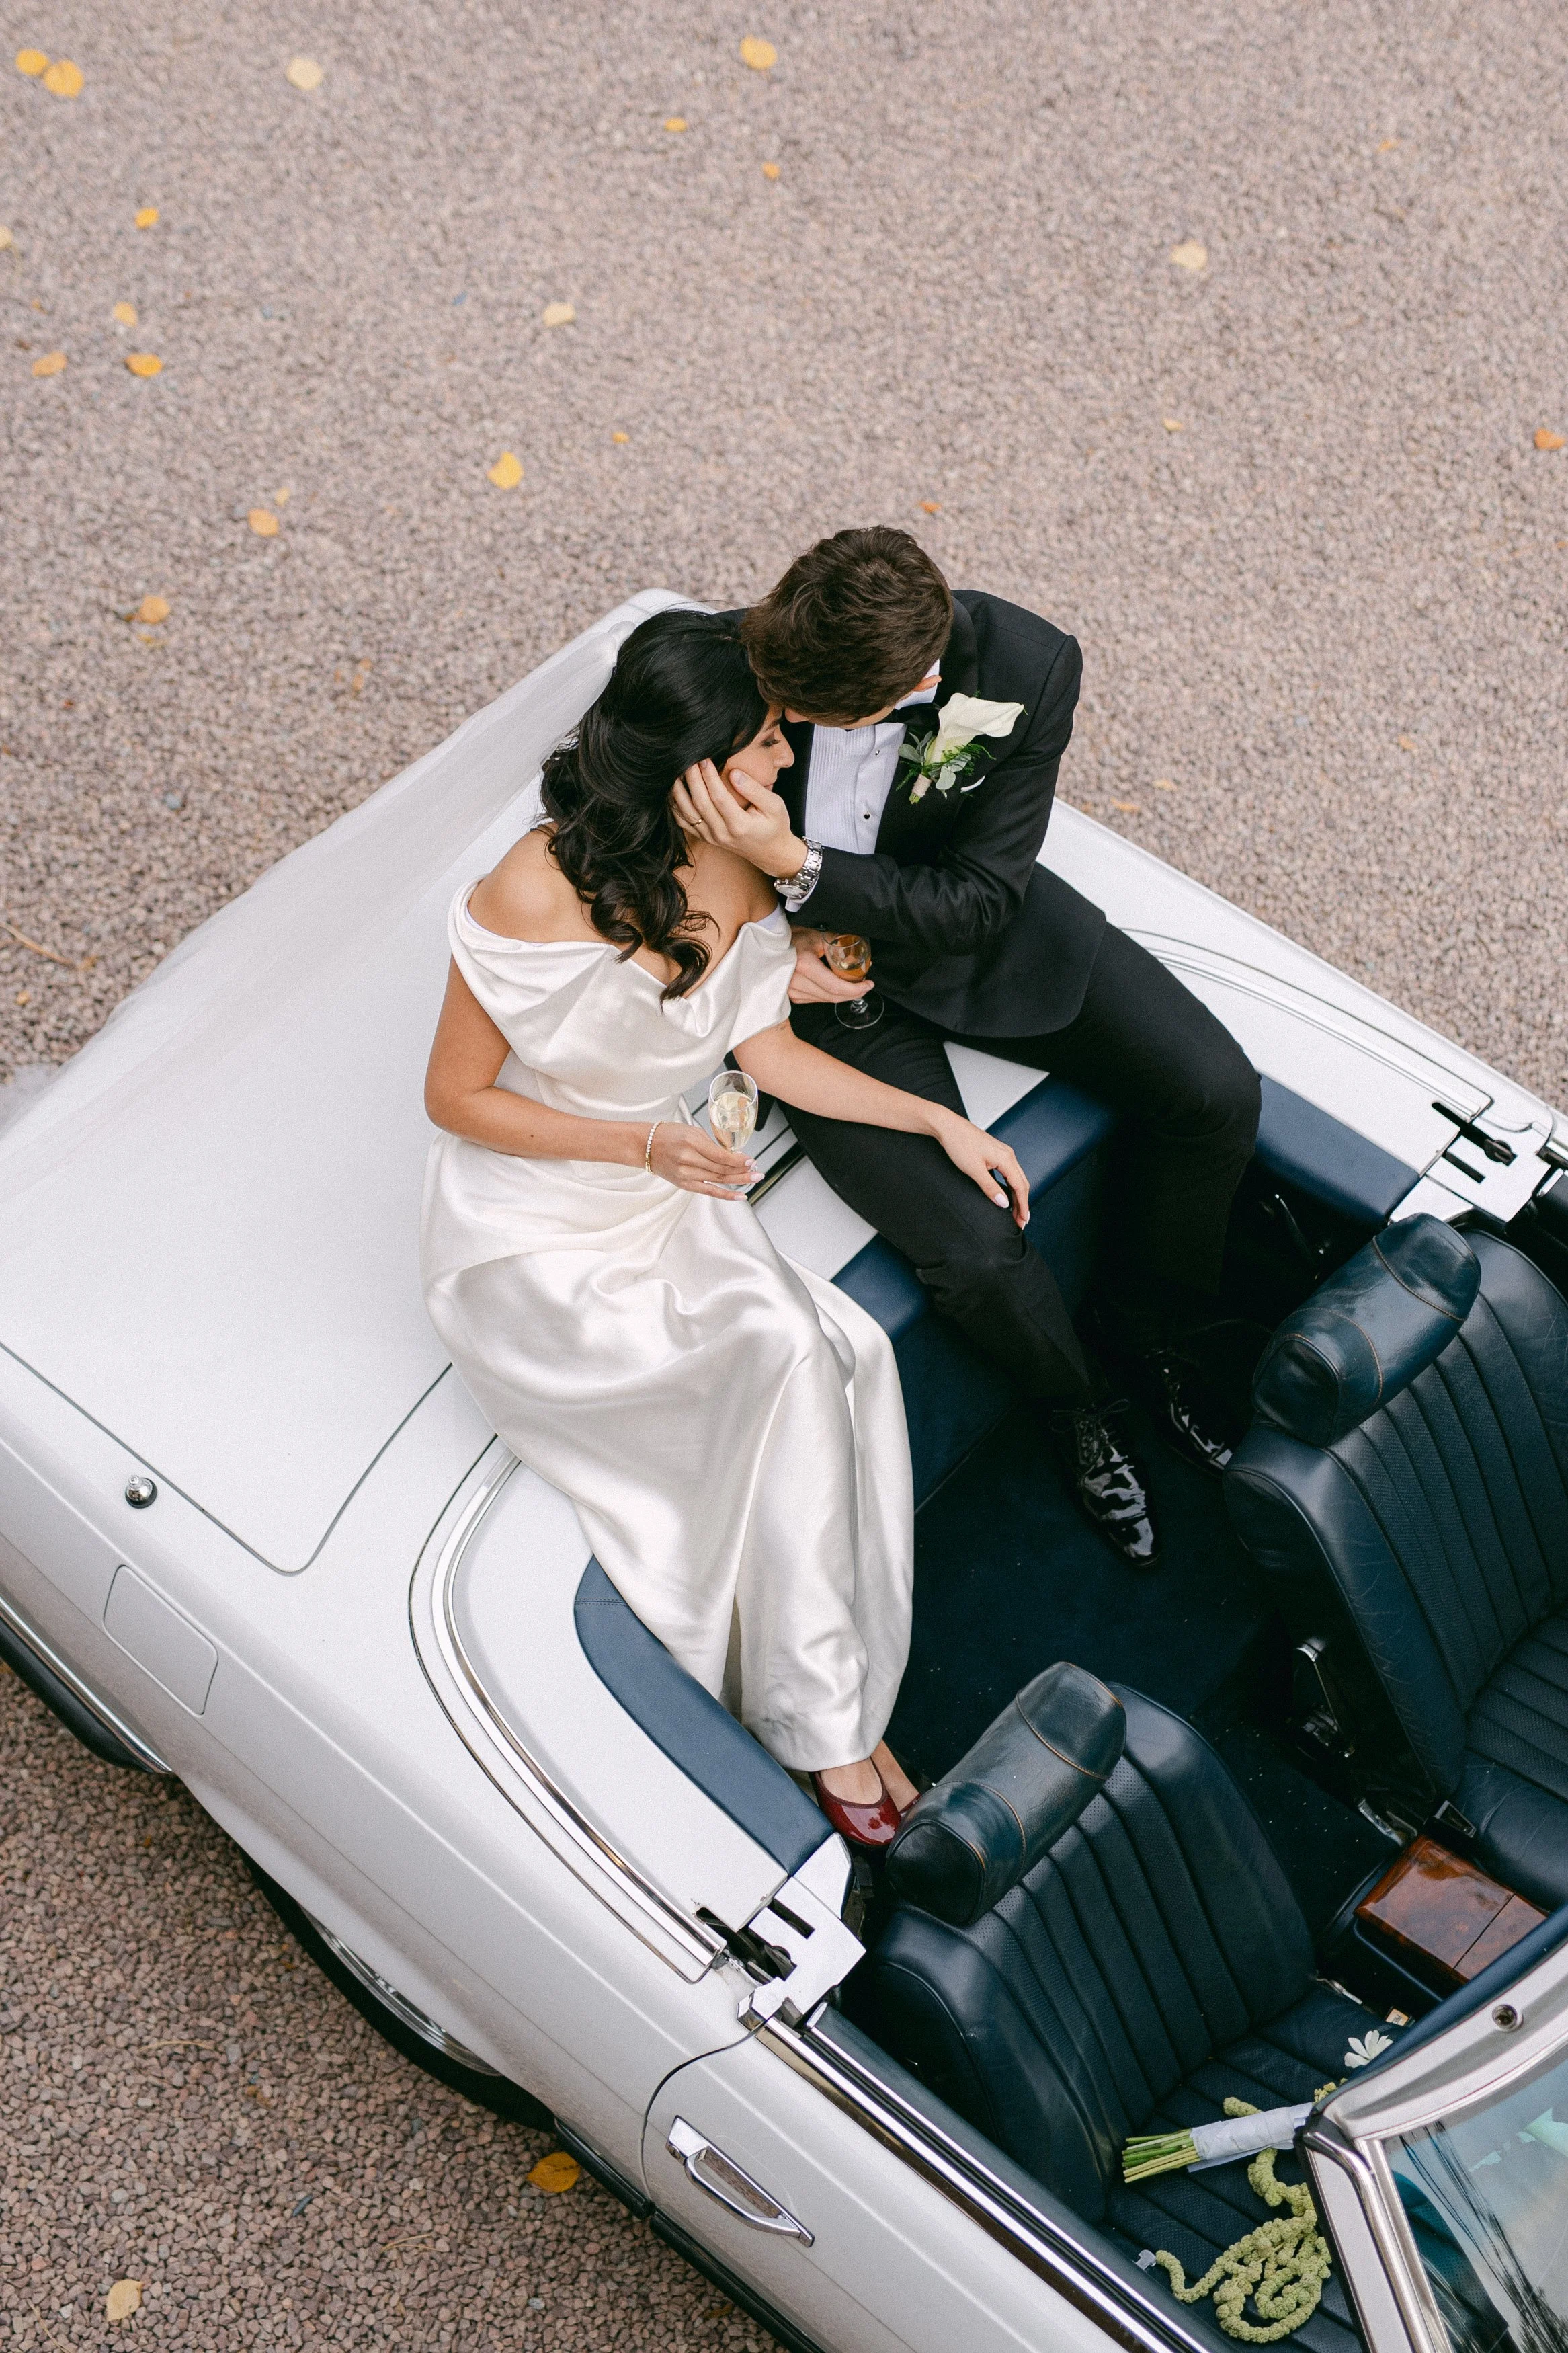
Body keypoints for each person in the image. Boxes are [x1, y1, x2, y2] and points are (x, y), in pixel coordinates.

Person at [420, 609, 1030, 1848]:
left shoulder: (744, 872)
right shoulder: (529, 887)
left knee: (845, 1354)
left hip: (671, 1198)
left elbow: (771, 1053)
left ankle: (828, 1702)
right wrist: (644, 1145)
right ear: (690, 765)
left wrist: (936, 1121)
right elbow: (457, 1100)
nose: (785, 762)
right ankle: (833, 1733)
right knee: (788, 1356)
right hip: (538, 1238)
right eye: (763, 744)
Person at [673, 528, 1262, 1568]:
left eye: (810, 718)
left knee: (1216, 1092)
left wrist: (797, 862)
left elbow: (983, 898)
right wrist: (756, 943)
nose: (786, 726)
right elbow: (632, 840)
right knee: (979, 1252)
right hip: (809, 997)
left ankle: (1150, 1331)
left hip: (977, 940)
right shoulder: (728, 659)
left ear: (917, 679)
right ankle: (1074, 1405)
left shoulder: (1030, 668)